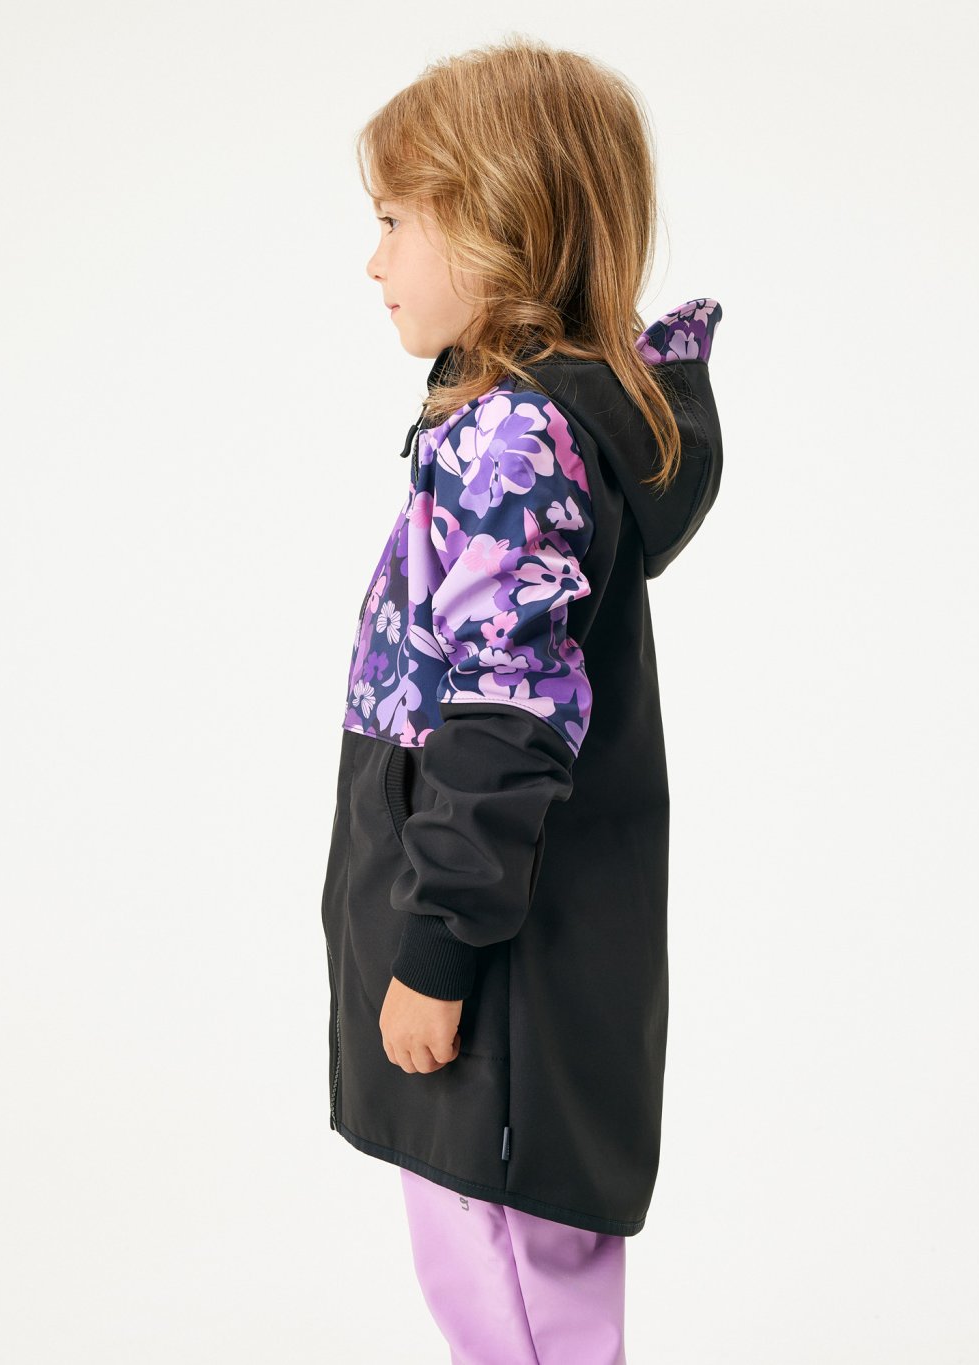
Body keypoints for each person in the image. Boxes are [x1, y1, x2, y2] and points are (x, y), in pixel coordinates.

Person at [319, 35, 724, 1365]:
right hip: (511, 940)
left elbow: (506, 719)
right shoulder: (509, 426)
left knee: (515, 1290)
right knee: (509, 1278)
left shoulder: (513, 440)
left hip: (498, 958)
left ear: (499, 226)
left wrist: (435, 952)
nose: (373, 261)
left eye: (395, 221)